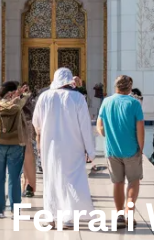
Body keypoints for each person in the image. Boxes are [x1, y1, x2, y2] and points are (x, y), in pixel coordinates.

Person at [32, 67, 94, 226]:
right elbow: (85, 126)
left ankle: (51, 217)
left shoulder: (44, 97)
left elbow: (36, 123)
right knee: (72, 180)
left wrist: (41, 141)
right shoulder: (78, 98)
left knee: (52, 179)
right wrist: (90, 150)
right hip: (73, 146)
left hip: (50, 147)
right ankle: (68, 217)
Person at [97, 74, 145, 224]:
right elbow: (140, 128)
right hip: (131, 150)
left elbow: (100, 127)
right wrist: (141, 148)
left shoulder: (106, 102)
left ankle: (119, 215)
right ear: (129, 87)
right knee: (133, 181)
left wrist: (110, 135)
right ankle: (129, 214)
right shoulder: (134, 103)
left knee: (117, 183)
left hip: (112, 150)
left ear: (116, 86)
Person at [0, 81, 29, 216]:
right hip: (15, 144)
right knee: (14, 177)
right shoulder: (17, 105)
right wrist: (22, 93)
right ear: (12, 93)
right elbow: (26, 97)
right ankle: (15, 209)